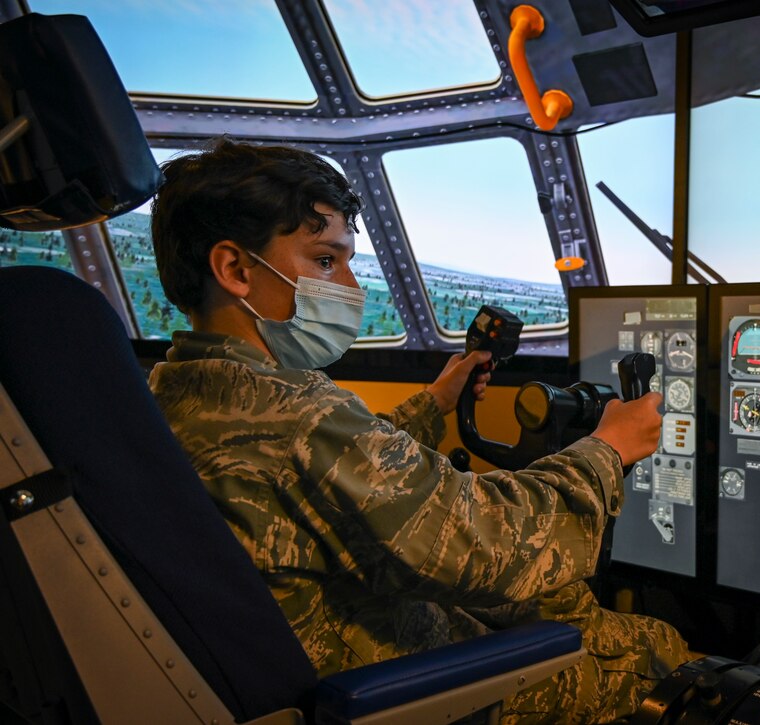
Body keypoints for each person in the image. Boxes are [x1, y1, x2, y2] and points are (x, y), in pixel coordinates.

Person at [147, 138, 692, 723]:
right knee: (654, 653)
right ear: (234, 268)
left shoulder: (178, 390)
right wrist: (607, 450)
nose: (351, 287)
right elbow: (495, 544)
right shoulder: (299, 414)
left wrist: (434, 403)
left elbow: (336, 471)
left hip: (312, 656)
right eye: (326, 260)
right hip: (389, 685)